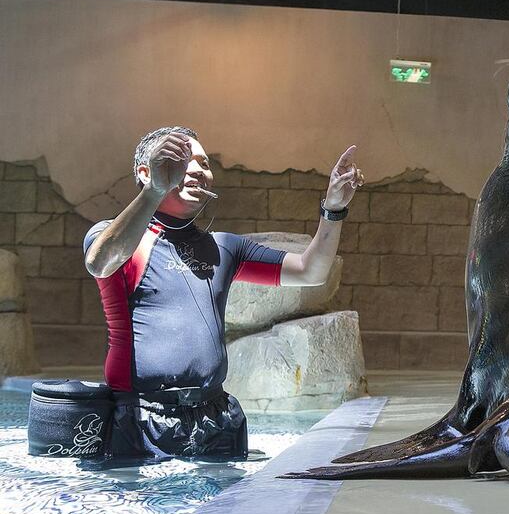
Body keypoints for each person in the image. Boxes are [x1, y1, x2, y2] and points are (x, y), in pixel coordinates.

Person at [83, 126, 362, 459]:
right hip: (141, 416)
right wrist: (154, 191)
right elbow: (100, 263)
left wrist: (333, 208)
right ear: (146, 172)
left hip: (216, 416)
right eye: (181, 160)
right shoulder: (112, 238)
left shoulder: (223, 248)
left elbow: (311, 271)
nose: (199, 170)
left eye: (204, 163)